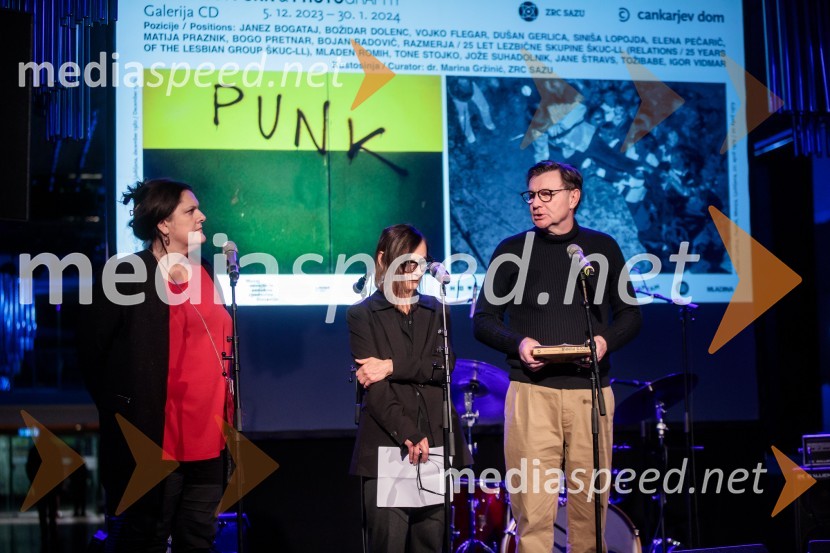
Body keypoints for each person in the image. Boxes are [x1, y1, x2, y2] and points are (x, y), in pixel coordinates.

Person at [473, 161, 642, 553]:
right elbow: (483, 320)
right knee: (532, 512)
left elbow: (631, 315)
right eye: (531, 195)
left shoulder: (601, 248)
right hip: (532, 394)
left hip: (591, 395)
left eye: (546, 194)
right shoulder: (512, 250)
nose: (536, 202)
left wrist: (604, 342)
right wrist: (518, 344)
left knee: (590, 511)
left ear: (573, 197)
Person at [81, 178, 232, 552]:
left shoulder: (206, 273)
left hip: (208, 436)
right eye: (190, 211)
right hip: (155, 439)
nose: (202, 217)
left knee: (198, 539)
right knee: (145, 538)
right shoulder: (125, 274)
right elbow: (91, 354)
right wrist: (125, 411)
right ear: (164, 224)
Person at [348, 224, 472, 553]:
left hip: (433, 442)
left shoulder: (436, 310)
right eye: (407, 262)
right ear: (384, 260)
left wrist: (391, 365)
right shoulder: (363, 315)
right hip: (389, 447)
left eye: (420, 262)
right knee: (387, 544)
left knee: (430, 544)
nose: (415, 272)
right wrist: (408, 432)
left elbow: (443, 366)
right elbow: (375, 388)